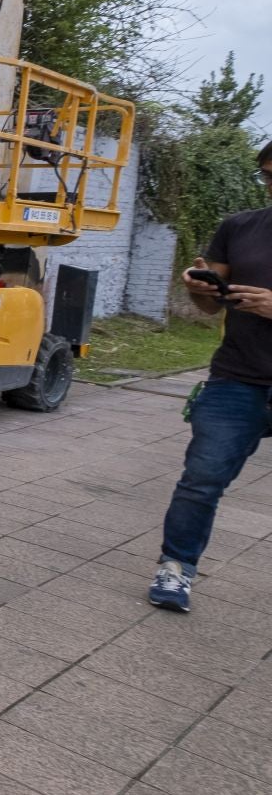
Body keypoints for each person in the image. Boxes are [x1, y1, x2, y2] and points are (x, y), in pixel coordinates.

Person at [150, 140, 272, 612]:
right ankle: (176, 569)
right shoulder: (240, 228)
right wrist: (202, 288)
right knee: (200, 480)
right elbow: (208, 306)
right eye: (267, 175)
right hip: (236, 379)